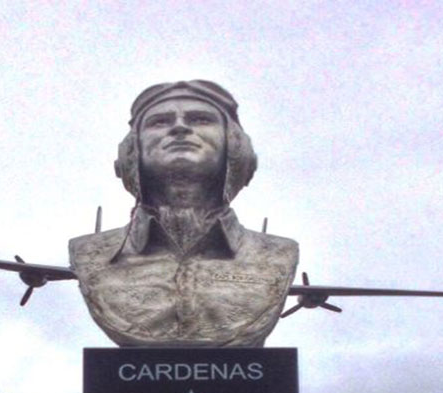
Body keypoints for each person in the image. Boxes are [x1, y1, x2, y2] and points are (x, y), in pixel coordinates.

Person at [70, 80, 299, 347]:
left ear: (234, 146)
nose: (180, 127)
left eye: (201, 119)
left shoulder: (278, 254)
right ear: (132, 151)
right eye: (159, 122)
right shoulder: (89, 252)